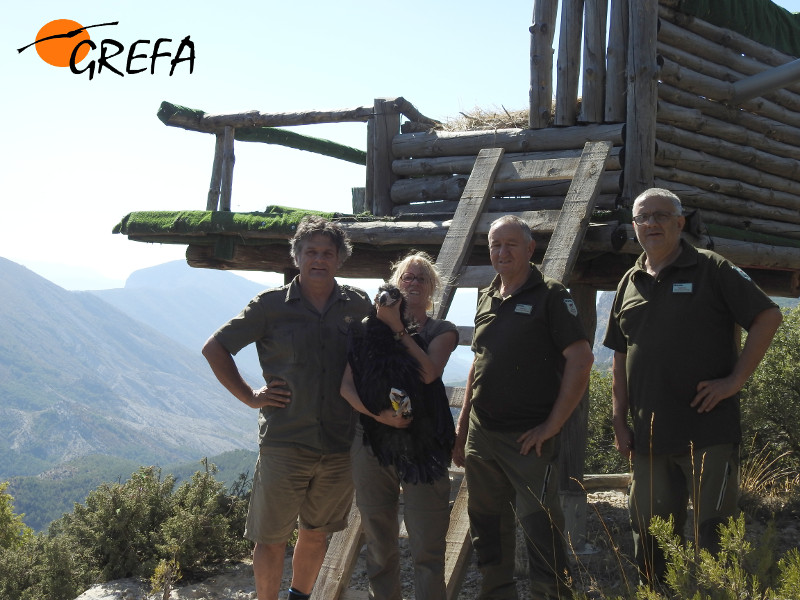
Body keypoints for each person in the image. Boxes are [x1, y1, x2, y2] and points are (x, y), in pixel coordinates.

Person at [603, 188, 783, 587]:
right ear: (634, 227)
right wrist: (619, 419)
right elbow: (618, 355)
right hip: (649, 437)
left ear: (680, 223)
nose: (652, 223)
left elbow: (768, 316)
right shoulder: (628, 282)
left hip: (707, 431)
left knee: (715, 539)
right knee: (650, 538)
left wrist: (734, 381)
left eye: (662, 216)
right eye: (643, 217)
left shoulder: (711, 268)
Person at [202, 216, 372, 600]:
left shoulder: (358, 304)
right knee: (270, 537)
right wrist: (250, 396)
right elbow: (215, 348)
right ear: (296, 256)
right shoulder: (271, 306)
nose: (319, 259)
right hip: (285, 441)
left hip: (340, 443)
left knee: (316, 533)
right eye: (310, 251)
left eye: (328, 253)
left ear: (340, 259)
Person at [453, 215, 594, 600]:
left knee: (541, 527)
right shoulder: (487, 295)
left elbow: (580, 360)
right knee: (487, 523)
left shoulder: (551, 295)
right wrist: (463, 426)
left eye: (511, 244)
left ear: (530, 249)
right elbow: (478, 365)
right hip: (483, 434)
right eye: (496, 245)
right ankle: (497, 592)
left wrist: (552, 425)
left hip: (528, 437)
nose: (502, 252)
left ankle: (552, 595)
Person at [340, 251, 458, 600]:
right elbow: (345, 386)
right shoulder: (365, 331)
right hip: (373, 439)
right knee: (378, 540)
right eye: (407, 276)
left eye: (421, 277)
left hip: (425, 446)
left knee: (428, 544)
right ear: (395, 284)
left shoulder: (442, 331)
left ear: (432, 287)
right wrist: (377, 415)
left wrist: (396, 326)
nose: (413, 282)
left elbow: (428, 372)